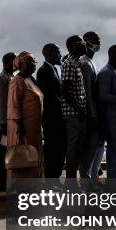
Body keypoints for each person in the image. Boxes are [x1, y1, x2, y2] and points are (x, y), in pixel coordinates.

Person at [7, 51, 44, 180]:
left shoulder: (31, 80)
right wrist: (19, 127)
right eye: (30, 62)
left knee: (34, 156)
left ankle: (35, 186)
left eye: (34, 62)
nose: (33, 65)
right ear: (21, 64)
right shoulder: (17, 81)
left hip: (34, 127)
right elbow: (13, 105)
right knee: (23, 157)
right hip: (22, 128)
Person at [96, 45, 116, 183]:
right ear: (113, 55)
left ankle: (115, 183)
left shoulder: (114, 71)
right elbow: (103, 96)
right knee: (115, 155)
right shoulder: (106, 73)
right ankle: (113, 186)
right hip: (112, 122)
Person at [36, 43, 65, 181]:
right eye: (58, 53)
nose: (60, 55)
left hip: (55, 116)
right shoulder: (44, 71)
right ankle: (50, 178)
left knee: (57, 148)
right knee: (53, 149)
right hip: (52, 118)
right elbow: (49, 97)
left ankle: (54, 177)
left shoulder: (52, 69)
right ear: (50, 54)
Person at [61, 35, 88, 181]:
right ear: (72, 46)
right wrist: (78, 109)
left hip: (78, 112)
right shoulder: (69, 64)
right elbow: (65, 90)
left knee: (78, 148)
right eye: (80, 42)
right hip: (73, 113)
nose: (84, 44)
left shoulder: (76, 63)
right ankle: (70, 183)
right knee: (73, 148)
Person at [80, 31, 103, 182]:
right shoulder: (85, 63)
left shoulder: (91, 62)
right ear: (86, 43)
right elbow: (87, 92)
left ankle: (92, 178)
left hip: (94, 113)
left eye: (98, 40)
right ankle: (86, 180)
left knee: (97, 147)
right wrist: (93, 115)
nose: (97, 43)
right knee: (90, 148)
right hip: (90, 114)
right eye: (95, 40)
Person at [0, 52, 16, 190]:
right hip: (5, 124)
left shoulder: (10, 77)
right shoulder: (2, 79)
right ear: (6, 62)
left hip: (10, 123)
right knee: (4, 154)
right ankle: (3, 183)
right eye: (13, 62)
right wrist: (3, 124)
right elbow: (0, 103)